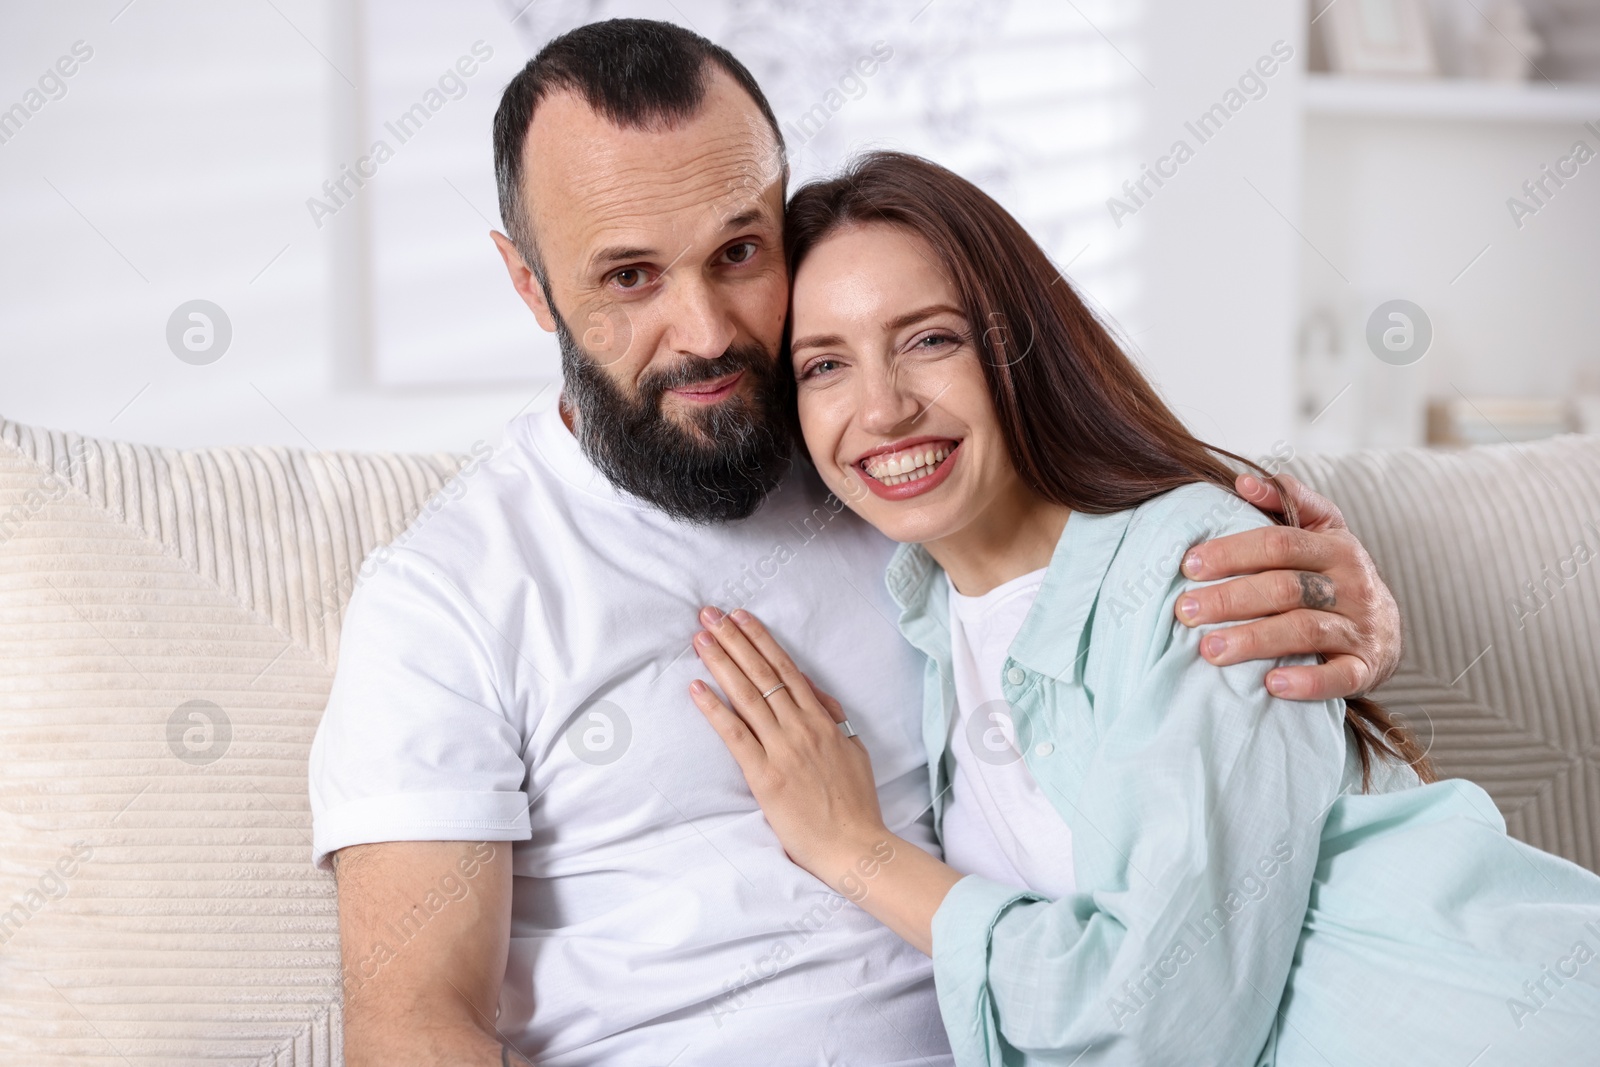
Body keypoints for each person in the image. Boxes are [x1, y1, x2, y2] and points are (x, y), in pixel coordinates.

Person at [309, 20, 1408, 1066]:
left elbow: (1133, 563)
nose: (704, 332)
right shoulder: (446, 595)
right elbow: (414, 1027)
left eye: (739, 251)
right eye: (630, 276)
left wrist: (1336, 606)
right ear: (527, 285)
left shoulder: (895, 468)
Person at [686, 150, 1600, 1066]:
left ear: (1018, 345)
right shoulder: (927, 629)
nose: (882, 409)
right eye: (823, 365)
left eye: (931, 339)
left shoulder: (1206, 565)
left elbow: (1158, 1020)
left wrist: (854, 851)